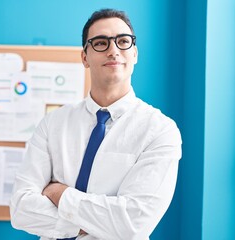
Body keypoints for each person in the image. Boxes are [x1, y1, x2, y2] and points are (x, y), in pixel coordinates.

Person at [10, 8, 182, 240]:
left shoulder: (160, 130)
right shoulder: (52, 124)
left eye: (123, 41)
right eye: (101, 43)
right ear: (84, 57)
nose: (113, 50)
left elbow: (133, 224)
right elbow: (21, 210)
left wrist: (60, 193)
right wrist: (93, 224)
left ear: (135, 54)